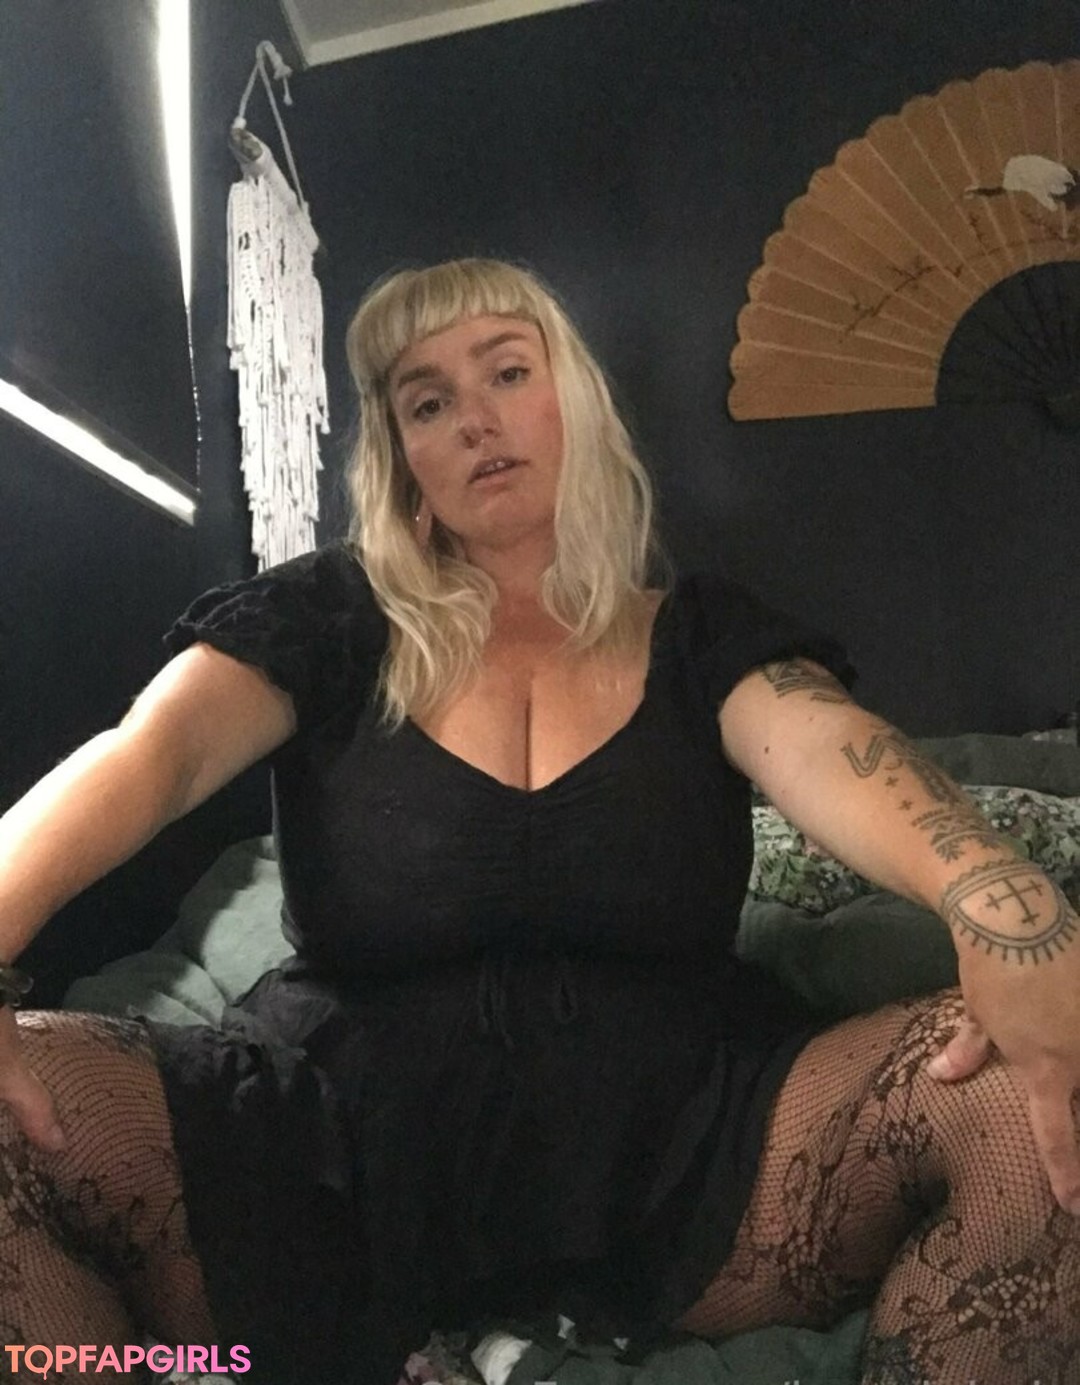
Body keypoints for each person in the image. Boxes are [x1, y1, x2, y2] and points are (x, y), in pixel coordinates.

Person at [1, 257, 1078, 1385]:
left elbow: (832, 750)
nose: (475, 419)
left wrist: (997, 900)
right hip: (326, 1161)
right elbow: (152, 755)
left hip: (693, 1158)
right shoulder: (323, 617)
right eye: (428, 402)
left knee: (1036, 1082)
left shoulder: (704, 634)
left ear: (576, 400)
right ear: (404, 459)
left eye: (508, 373)